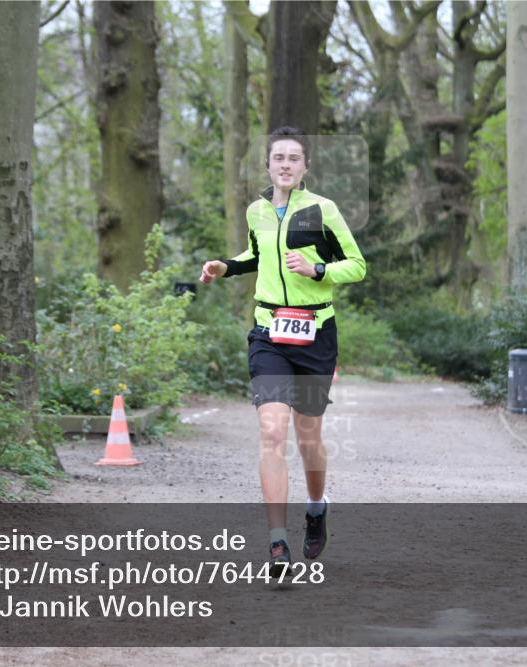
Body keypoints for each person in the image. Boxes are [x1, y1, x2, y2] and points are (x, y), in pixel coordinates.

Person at [199, 126, 366, 573]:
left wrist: (316, 269)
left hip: (315, 335)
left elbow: (357, 265)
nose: (286, 165)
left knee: (308, 438)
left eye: (294, 158)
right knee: (272, 433)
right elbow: (258, 254)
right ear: (269, 165)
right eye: (279, 158)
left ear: (305, 166)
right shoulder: (257, 211)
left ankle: (316, 508)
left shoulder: (321, 209)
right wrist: (225, 266)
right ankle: (277, 542)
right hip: (269, 332)